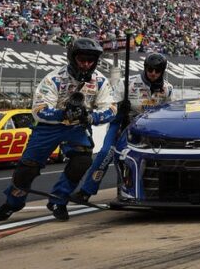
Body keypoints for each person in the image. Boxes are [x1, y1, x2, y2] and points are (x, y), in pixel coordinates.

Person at [0, 37, 116, 222]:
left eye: (91, 61)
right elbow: (39, 110)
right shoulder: (54, 78)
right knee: (27, 168)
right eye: (82, 60)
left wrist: (91, 117)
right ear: (72, 58)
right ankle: (13, 202)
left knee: (82, 160)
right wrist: (63, 114)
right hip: (48, 128)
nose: (86, 64)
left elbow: (111, 109)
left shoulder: (100, 81)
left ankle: (59, 199)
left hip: (77, 127)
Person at [71, 52, 174, 203]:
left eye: (157, 71)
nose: (152, 73)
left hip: (150, 128)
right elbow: (110, 106)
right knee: (106, 154)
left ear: (162, 71)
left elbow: (169, 112)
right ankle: (86, 191)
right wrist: (120, 108)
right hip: (122, 124)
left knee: (155, 158)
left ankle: (153, 190)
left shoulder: (168, 89)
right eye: (150, 69)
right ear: (145, 68)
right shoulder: (127, 83)